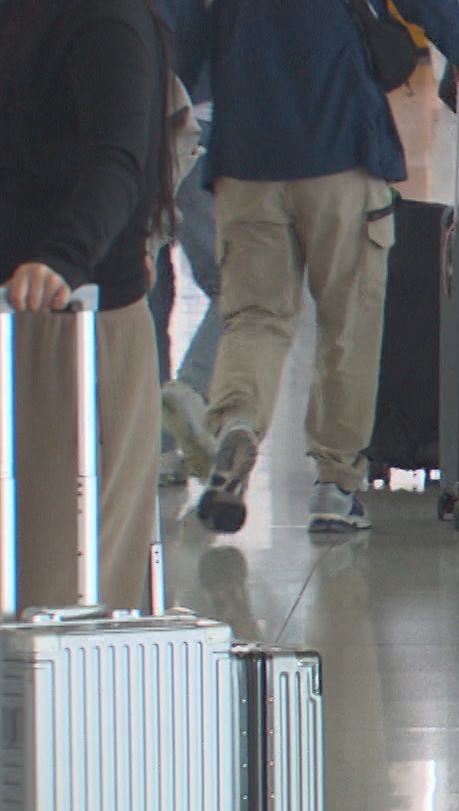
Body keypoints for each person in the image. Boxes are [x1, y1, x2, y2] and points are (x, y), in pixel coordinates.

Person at [168, 1, 459, 535]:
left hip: (246, 160)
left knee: (255, 318)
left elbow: (184, 44)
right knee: (348, 322)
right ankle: (334, 485)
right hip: (341, 150)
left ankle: (238, 422)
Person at [0, 0, 175, 612]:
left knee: (58, 586)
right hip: (16, 324)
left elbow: (119, 157)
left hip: (71, 328)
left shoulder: (105, 17)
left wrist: (64, 258)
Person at [151, 0, 221, 489]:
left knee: (145, 290)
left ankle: (151, 441)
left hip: (129, 131)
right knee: (240, 287)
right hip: (197, 123)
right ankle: (189, 391)